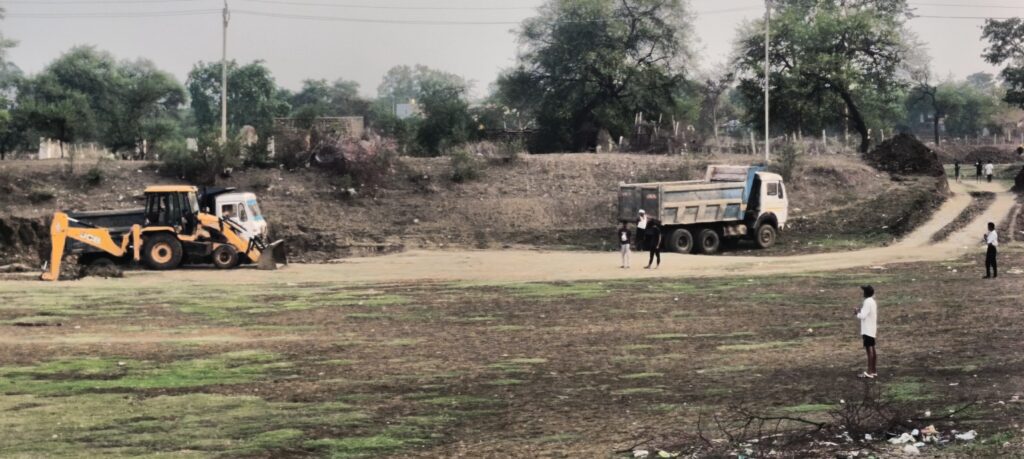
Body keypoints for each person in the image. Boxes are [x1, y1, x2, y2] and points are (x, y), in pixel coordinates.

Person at [855, 285, 878, 379]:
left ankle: (869, 372)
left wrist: (857, 313)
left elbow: (863, 316)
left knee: (869, 350)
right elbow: (867, 312)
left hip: (867, 329)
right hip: (872, 329)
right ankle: (873, 370)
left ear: (866, 293)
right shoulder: (872, 301)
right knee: (873, 348)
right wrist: (860, 310)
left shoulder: (867, 301)